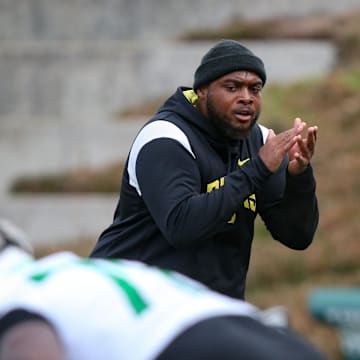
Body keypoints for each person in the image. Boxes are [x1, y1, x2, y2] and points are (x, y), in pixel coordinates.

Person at [90, 39, 319, 300]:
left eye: (255, 89)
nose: (246, 97)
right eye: (232, 87)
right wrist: (258, 169)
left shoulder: (261, 143)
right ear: (202, 91)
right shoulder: (165, 138)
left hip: (205, 309)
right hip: (128, 302)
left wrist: (299, 177)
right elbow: (182, 226)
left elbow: (297, 236)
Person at [0, 219, 325, 360]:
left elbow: (29, 348)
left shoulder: (12, 288)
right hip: (258, 332)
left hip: (190, 348)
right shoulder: (62, 271)